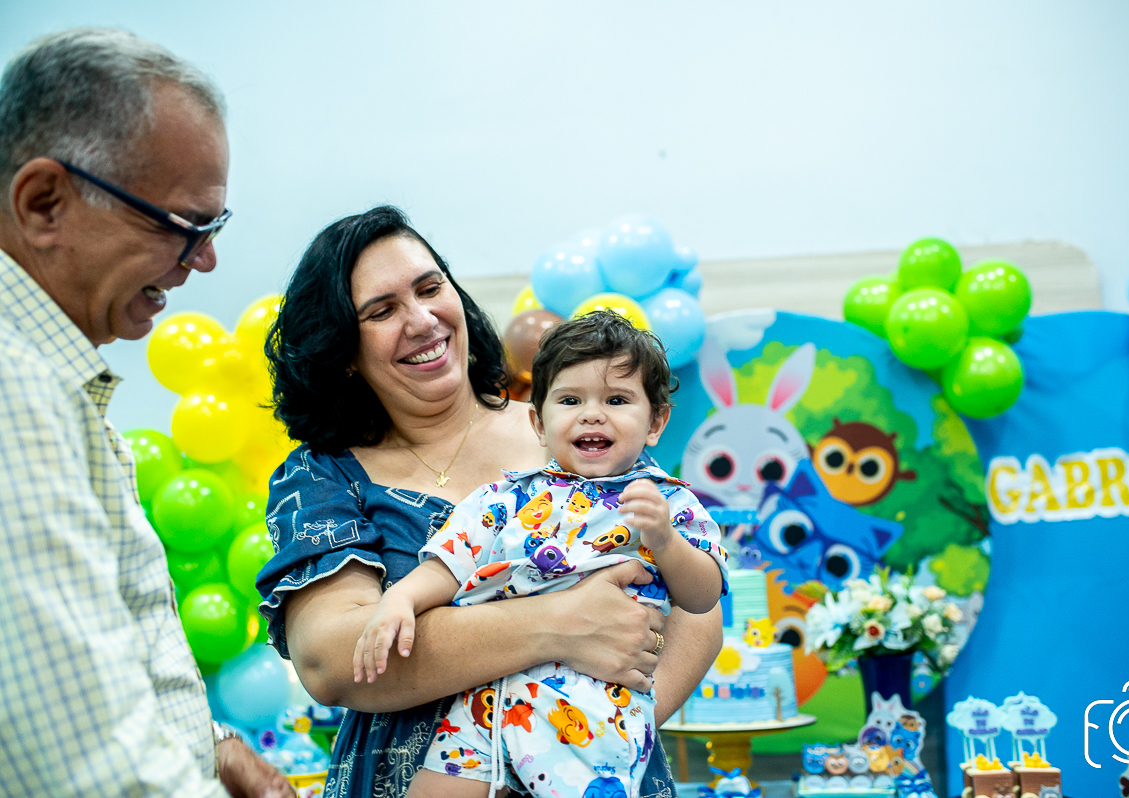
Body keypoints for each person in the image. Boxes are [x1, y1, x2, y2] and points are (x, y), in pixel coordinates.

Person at [259, 206, 724, 798]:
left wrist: (574, 740)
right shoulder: (323, 476)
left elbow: (694, 600)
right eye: (382, 310)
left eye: (431, 288)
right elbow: (330, 656)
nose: (423, 319)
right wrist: (557, 625)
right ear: (342, 349)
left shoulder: (575, 427)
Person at [0, 29, 292, 797]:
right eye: (181, 224)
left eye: (214, 228)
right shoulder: (15, 392)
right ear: (43, 203)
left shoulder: (57, 385)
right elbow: (91, 768)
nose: (204, 259)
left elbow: (102, 658)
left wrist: (206, 743)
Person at [353, 311, 729, 798]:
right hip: (489, 697)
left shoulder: (667, 503)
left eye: (617, 400)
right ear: (538, 420)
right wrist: (399, 601)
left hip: (594, 713)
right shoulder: (505, 497)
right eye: (570, 400)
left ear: (656, 421)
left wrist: (665, 541)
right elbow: (450, 561)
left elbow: (702, 597)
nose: (592, 414)